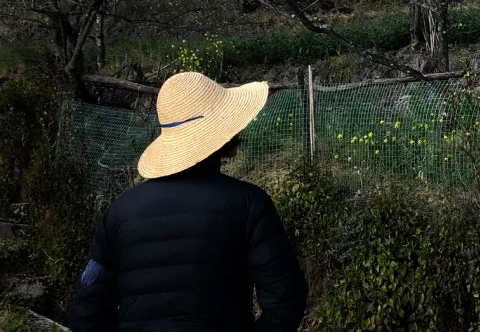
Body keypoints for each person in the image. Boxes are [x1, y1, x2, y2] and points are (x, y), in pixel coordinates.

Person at [68, 71, 308, 331]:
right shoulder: (249, 204)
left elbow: (86, 309)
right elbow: (286, 299)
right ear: (225, 135)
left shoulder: (120, 213)